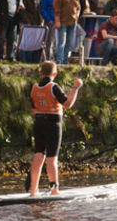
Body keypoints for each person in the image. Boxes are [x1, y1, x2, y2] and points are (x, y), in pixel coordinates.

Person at [28, 61, 83, 196]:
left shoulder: (34, 87)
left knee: (38, 154)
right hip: (53, 125)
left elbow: (34, 109)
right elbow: (68, 104)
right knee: (52, 158)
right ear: (55, 74)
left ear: (41, 73)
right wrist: (75, 88)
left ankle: (33, 190)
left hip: (39, 123)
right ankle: (54, 190)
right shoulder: (54, 87)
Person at [53, 0, 80, 64]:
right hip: (63, 22)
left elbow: (78, 7)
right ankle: (59, 60)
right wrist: (57, 21)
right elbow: (56, 9)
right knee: (62, 42)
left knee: (69, 42)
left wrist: (77, 16)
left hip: (73, 22)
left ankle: (65, 60)